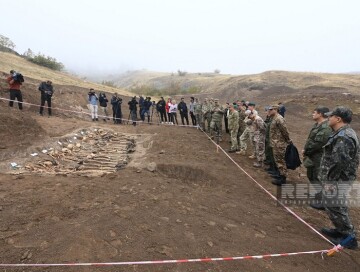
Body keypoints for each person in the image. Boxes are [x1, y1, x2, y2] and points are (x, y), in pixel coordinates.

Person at [319, 107, 359, 249]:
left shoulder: (344, 136)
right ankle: (340, 230)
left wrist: (330, 182)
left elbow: (339, 162)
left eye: (331, 116)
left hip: (338, 180)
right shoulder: (341, 133)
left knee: (337, 207)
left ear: (338, 119)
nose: (328, 118)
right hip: (337, 179)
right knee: (333, 206)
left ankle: (349, 238)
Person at [302, 107, 332, 209]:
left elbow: (318, 144)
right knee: (312, 175)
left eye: (314, 112)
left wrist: (306, 151)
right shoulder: (317, 125)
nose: (312, 114)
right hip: (313, 156)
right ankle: (318, 194)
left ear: (320, 114)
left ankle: (323, 201)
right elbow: (311, 140)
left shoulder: (326, 127)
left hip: (319, 157)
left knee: (319, 177)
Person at [268, 105, 292, 185]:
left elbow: (285, 131)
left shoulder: (279, 118)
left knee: (281, 161)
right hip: (275, 143)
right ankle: (279, 174)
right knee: (277, 160)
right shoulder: (274, 118)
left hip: (279, 143)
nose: (269, 111)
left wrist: (288, 140)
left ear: (276, 109)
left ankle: (283, 179)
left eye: (271, 110)